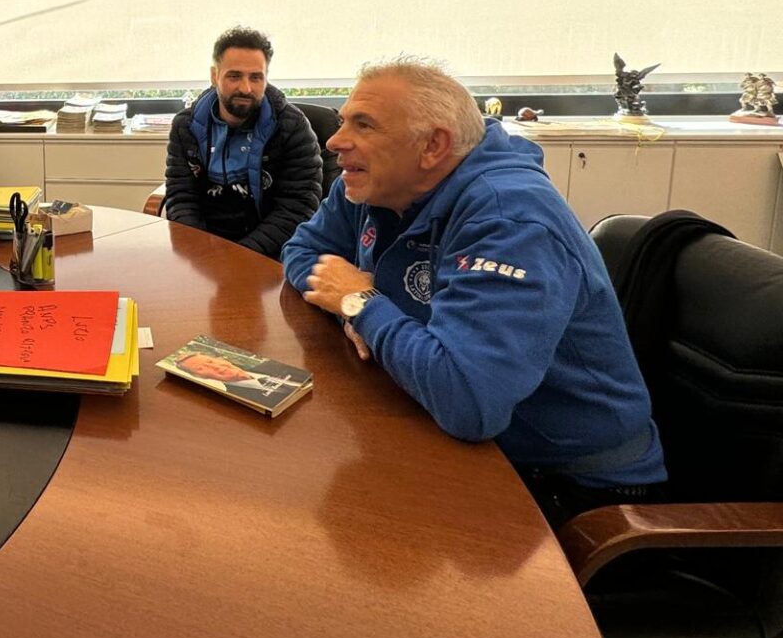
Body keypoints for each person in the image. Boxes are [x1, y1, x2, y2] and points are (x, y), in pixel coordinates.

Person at [281, 57, 665, 524]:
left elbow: (468, 400)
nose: (335, 141)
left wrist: (362, 303)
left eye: (363, 125)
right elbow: (304, 250)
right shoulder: (372, 184)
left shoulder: (510, 221)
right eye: (343, 121)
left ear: (432, 146)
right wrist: (353, 303)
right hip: (455, 437)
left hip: (575, 491)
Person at [163, 25, 322, 259]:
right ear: (214, 75)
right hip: (203, 251)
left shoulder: (293, 128)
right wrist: (199, 251)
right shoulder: (186, 126)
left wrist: (239, 256)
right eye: (234, 76)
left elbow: (296, 209)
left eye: (256, 77)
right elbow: (181, 196)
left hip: (268, 254)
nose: (246, 88)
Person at [173, 351, 304, 397]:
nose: (215, 367)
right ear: (198, 376)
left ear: (221, 359)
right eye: (201, 369)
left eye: (210, 361)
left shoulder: (273, 365)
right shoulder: (235, 400)